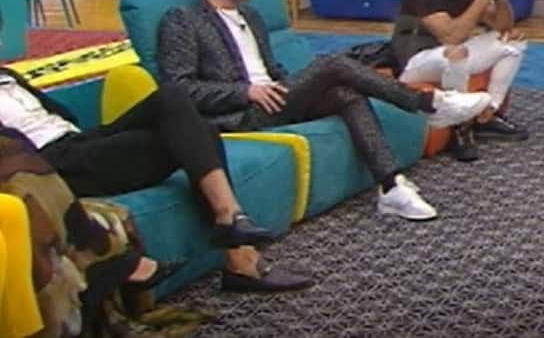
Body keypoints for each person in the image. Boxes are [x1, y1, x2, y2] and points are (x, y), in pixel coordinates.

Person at [158, 0, 493, 221]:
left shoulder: (250, 16)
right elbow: (179, 90)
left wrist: (294, 86)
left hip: (275, 99)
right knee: (332, 64)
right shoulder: (184, 19)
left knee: (345, 93)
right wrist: (245, 92)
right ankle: (427, 103)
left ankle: (391, 186)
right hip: (240, 114)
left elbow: (272, 70)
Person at [0, 66, 312, 293]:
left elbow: (64, 115)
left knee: (174, 101)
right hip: (49, 164)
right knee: (198, 134)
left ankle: (230, 219)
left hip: (78, 140)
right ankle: (238, 250)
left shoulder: (8, 76)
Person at [392, 0, 529, 163]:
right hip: (417, 60)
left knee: (512, 42)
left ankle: (489, 112)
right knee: (456, 52)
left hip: (456, 53)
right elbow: (451, 36)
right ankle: (460, 127)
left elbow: (503, 26)